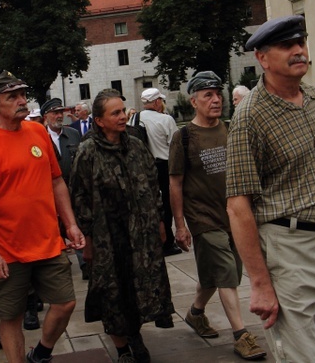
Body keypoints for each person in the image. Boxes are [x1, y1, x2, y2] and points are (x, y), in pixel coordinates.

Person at [226, 15, 315, 362]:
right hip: (285, 248)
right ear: (262, 57)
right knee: (299, 356)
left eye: (301, 43)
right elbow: (237, 207)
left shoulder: (311, 98)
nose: (298, 51)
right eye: (286, 45)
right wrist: (260, 282)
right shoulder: (251, 117)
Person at [0, 71, 85, 363]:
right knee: (11, 317)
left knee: (66, 303)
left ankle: (42, 352)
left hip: (47, 241)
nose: (22, 101)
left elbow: (57, 181)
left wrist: (70, 224)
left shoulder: (37, 132)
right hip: (8, 250)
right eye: (12, 97)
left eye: (22, 95)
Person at [71, 89, 174, 363]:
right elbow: (79, 198)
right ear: (99, 121)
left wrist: (161, 221)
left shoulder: (136, 145)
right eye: (114, 113)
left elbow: (152, 185)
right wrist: (88, 241)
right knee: (112, 292)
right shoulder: (88, 151)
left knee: (139, 286)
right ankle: (122, 348)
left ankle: (135, 333)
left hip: (141, 233)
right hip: (108, 238)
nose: (122, 116)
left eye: (122, 110)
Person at [169, 72, 266, 360]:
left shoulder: (229, 128)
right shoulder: (183, 136)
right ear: (194, 101)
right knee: (226, 273)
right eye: (207, 95)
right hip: (203, 218)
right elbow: (175, 182)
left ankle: (196, 313)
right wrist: (180, 224)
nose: (215, 99)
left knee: (220, 275)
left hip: (233, 215)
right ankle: (241, 335)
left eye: (217, 94)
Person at [41, 97, 83, 284]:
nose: (59, 116)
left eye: (61, 112)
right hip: (48, 195)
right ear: (45, 116)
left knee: (77, 227)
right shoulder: (39, 136)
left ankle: (85, 265)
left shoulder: (73, 134)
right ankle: (58, 270)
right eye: (54, 113)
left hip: (74, 193)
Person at [138, 87, 180, 256]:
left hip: (143, 167)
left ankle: (152, 239)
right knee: (167, 204)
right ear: (156, 102)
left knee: (150, 205)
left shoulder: (134, 119)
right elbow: (176, 146)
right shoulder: (166, 119)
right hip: (163, 166)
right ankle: (167, 241)